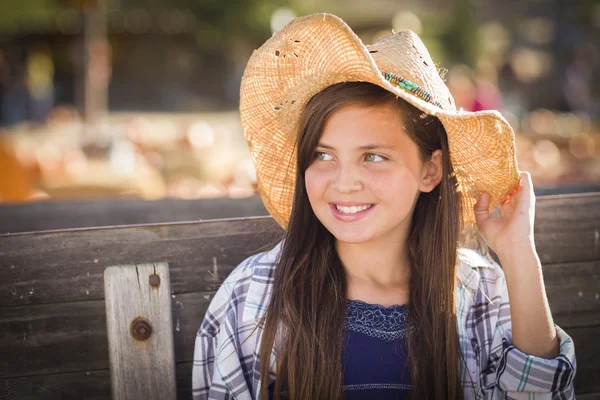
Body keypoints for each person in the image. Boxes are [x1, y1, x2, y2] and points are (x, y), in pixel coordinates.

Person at [192, 13, 576, 400]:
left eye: (373, 157)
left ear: (431, 170)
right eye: (323, 156)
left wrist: (519, 255)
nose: (344, 182)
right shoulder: (255, 296)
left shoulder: (481, 291)